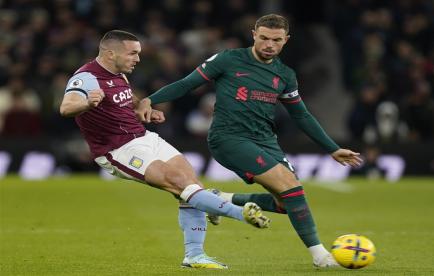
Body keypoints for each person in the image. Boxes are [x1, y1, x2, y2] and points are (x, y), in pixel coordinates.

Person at [140, 14, 363, 268]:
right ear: (254, 34)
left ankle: (216, 198)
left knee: (284, 203)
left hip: (266, 141)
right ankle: (321, 257)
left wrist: (332, 148)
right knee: (293, 187)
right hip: (229, 138)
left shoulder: (285, 74)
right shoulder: (228, 59)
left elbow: (301, 114)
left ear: (285, 40)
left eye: (276, 40)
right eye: (265, 38)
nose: (270, 44)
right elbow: (187, 83)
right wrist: (150, 99)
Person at [59, 30, 271, 270]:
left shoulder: (119, 75)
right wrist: (87, 102)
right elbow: (66, 107)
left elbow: (128, 101)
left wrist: (143, 110)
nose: (138, 59)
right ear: (110, 53)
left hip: (144, 138)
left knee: (190, 183)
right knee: (179, 183)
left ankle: (195, 255)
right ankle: (240, 212)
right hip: (117, 149)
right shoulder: (87, 77)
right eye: (132, 53)